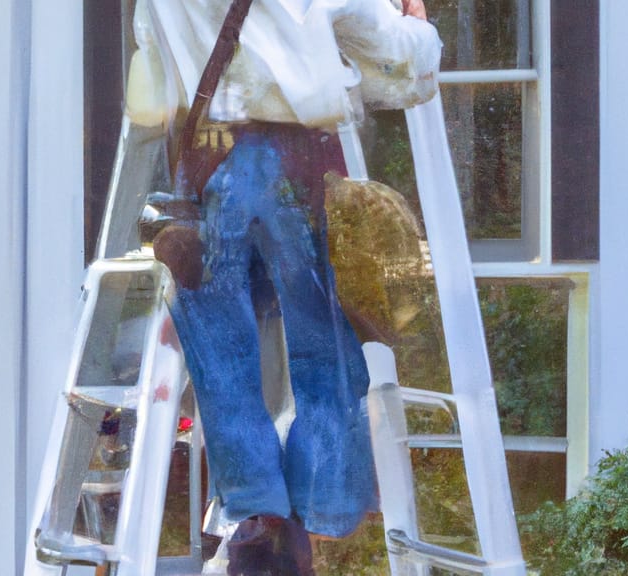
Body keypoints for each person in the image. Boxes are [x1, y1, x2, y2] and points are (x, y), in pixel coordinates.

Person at [128, 0, 440, 572]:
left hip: (204, 168)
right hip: (302, 164)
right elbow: (397, 65)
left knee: (222, 358)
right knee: (325, 347)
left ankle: (258, 516)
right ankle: (321, 508)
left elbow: (152, 67)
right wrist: (418, 28)